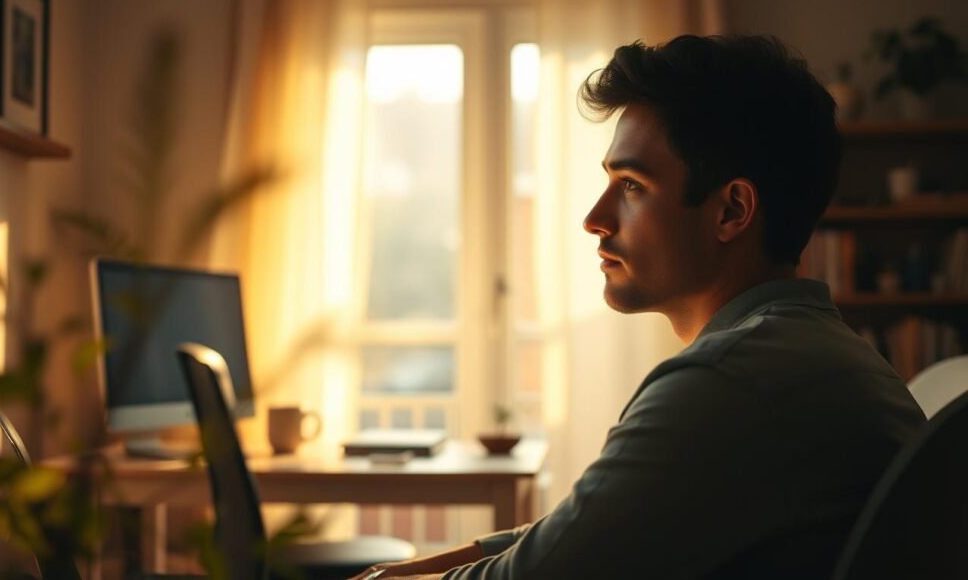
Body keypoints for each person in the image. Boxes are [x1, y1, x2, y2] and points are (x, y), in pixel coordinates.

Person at [351, 34, 925, 580]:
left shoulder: (729, 380)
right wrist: (411, 569)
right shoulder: (811, 354)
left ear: (731, 211)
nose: (594, 219)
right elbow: (593, 529)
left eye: (631, 185)